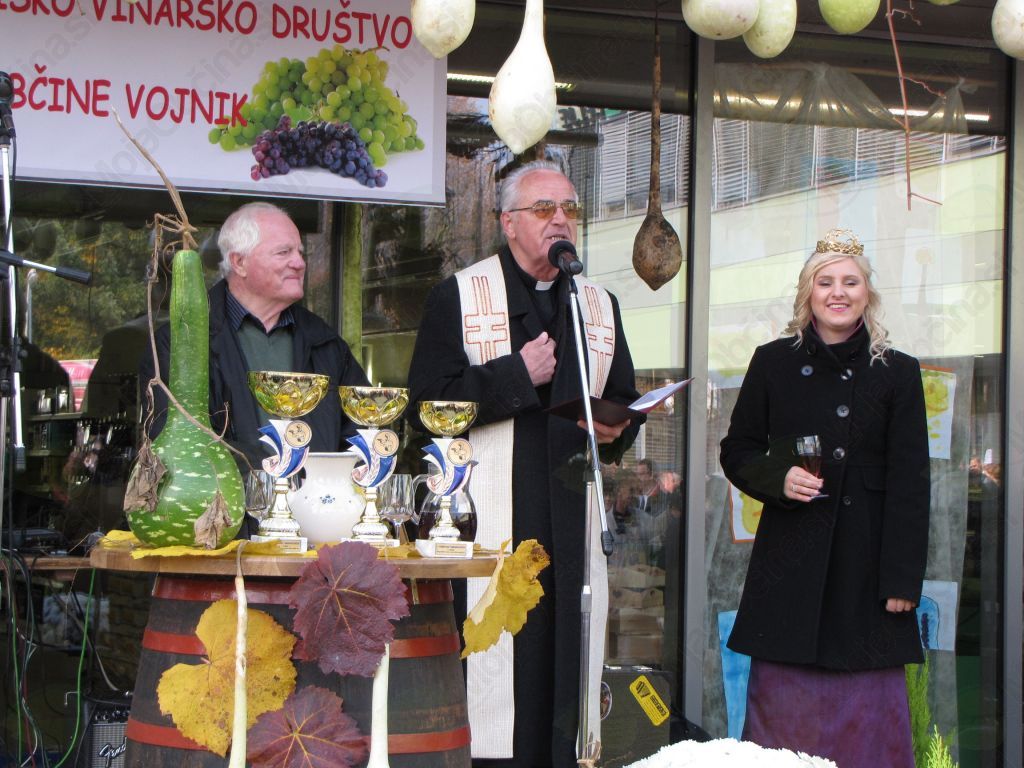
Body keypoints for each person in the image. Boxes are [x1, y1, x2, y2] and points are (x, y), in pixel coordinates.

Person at [407, 160, 642, 767]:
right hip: (492, 519)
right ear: (508, 222)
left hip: (572, 523)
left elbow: (620, 401)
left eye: (569, 209)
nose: (560, 220)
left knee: (567, 670)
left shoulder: (599, 304)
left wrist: (618, 429)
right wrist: (516, 374)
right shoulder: (459, 295)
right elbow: (425, 407)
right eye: (543, 209)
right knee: (502, 676)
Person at [719, 229, 930, 768]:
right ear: (807, 292)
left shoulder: (899, 371)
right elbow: (738, 450)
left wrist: (902, 582)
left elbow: (911, 483)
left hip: (868, 577)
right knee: (782, 733)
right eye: (825, 281)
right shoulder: (772, 362)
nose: (838, 292)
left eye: (850, 282)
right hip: (791, 569)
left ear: (867, 293)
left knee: (868, 732)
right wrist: (779, 478)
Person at [141, 202, 369, 510]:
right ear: (239, 262)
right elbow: (177, 444)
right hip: (225, 524)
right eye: (284, 252)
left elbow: (363, 433)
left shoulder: (326, 343)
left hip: (317, 522)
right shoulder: (183, 341)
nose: (299, 263)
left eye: (300, 252)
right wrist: (272, 470)